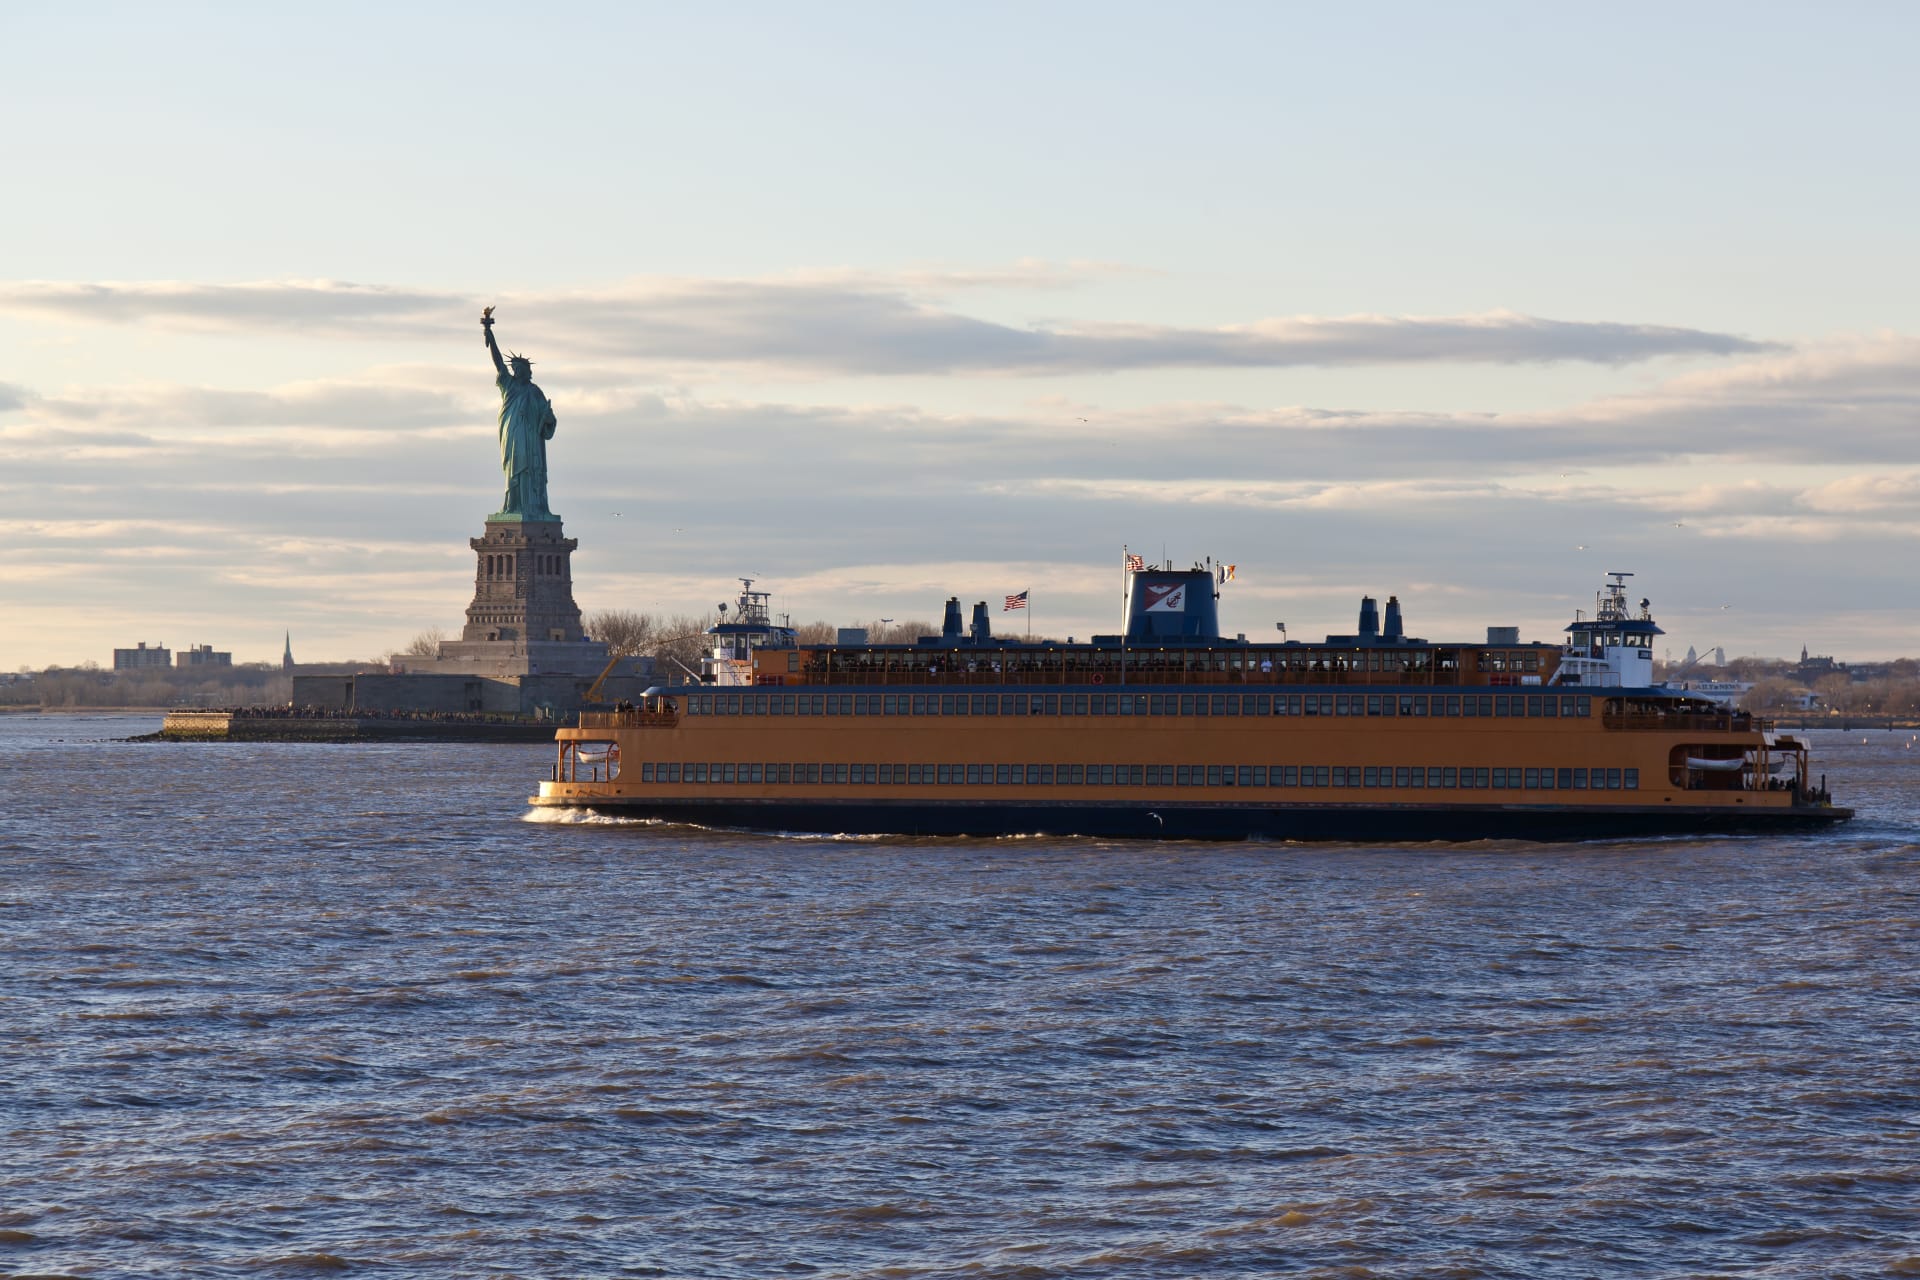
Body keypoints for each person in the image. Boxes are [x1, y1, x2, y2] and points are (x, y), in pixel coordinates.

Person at [481, 307, 558, 520]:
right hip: (513, 435)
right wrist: (490, 333)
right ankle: (512, 505)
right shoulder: (509, 386)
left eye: (520, 369)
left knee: (531, 471)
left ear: (528, 371)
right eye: (514, 369)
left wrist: (549, 418)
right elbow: (498, 363)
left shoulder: (535, 392)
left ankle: (533, 508)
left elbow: (547, 420)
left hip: (531, 439)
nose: (516, 372)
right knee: (514, 469)